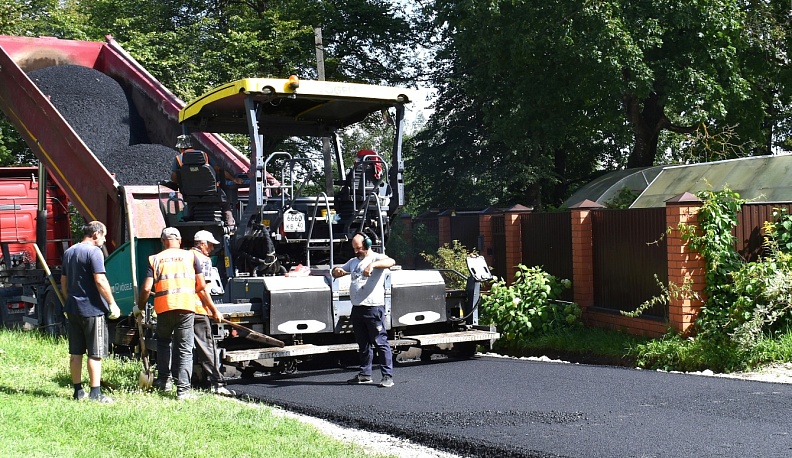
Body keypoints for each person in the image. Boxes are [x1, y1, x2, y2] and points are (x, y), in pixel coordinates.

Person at [137, 227, 205, 400]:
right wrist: (188, 291)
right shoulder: (191, 256)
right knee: (184, 349)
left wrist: (139, 306)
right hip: (185, 307)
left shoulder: (155, 259)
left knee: (163, 343)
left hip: (164, 307)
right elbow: (202, 285)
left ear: (163, 241)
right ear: (180, 241)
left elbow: (146, 288)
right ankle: (183, 391)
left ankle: (164, 381)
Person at [61, 220, 120, 403]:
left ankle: (78, 391)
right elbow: (100, 280)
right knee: (95, 353)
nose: (104, 239)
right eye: (104, 235)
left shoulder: (69, 252)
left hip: (73, 308)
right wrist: (112, 304)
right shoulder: (94, 252)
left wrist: (68, 299)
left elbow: (63, 281)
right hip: (92, 309)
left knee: (76, 352)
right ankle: (96, 393)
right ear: (96, 234)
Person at [332, 232, 396, 387]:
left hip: (373, 308)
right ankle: (365, 374)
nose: (355, 251)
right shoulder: (353, 261)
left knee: (380, 342)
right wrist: (337, 271)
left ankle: (387, 376)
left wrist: (372, 265)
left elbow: (391, 261)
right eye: (354, 248)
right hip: (358, 308)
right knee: (363, 344)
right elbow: (336, 270)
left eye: (358, 248)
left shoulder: (376, 258)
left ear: (367, 245)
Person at [189, 230, 234, 396]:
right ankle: (218, 383)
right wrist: (214, 310)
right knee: (207, 347)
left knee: (183, 348)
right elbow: (202, 290)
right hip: (198, 310)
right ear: (201, 243)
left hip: (181, 308)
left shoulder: (185, 256)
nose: (212, 249)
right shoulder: (203, 260)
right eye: (210, 245)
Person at [170, 134, 243, 230]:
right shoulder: (205, 156)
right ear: (191, 145)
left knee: (191, 204)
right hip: (212, 192)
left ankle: (189, 218)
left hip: (191, 194)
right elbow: (218, 169)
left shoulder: (178, 159)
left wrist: (181, 184)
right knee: (225, 203)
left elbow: (174, 176)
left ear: (180, 148)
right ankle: (230, 223)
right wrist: (233, 179)